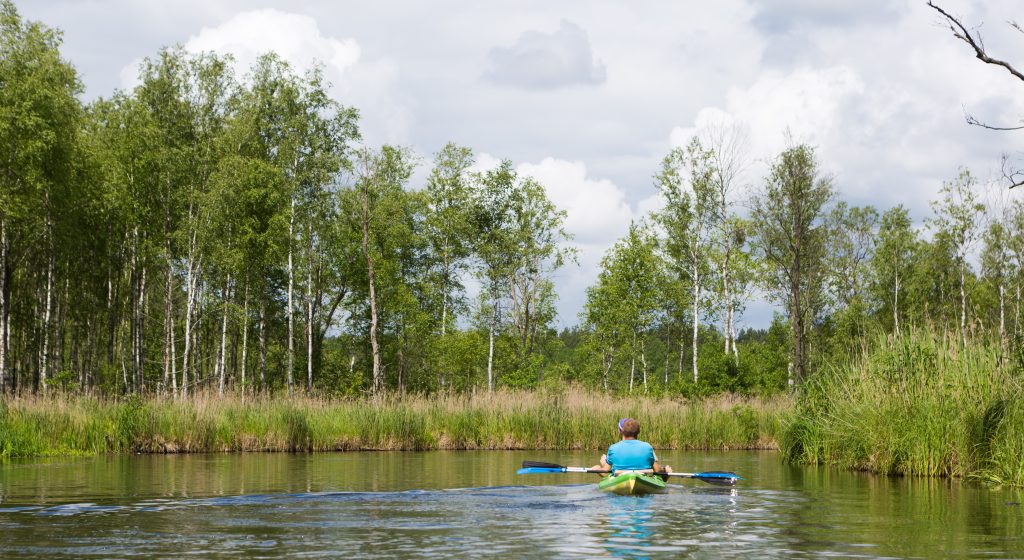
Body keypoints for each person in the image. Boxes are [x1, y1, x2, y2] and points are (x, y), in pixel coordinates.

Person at [593, 418, 672, 478]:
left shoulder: (613, 448)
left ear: (622, 431)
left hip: (620, 476)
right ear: (638, 432)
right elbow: (657, 470)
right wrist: (666, 471)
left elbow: (606, 470)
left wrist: (597, 467)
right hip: (643, 477)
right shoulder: (647, 447)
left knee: (596, 467)